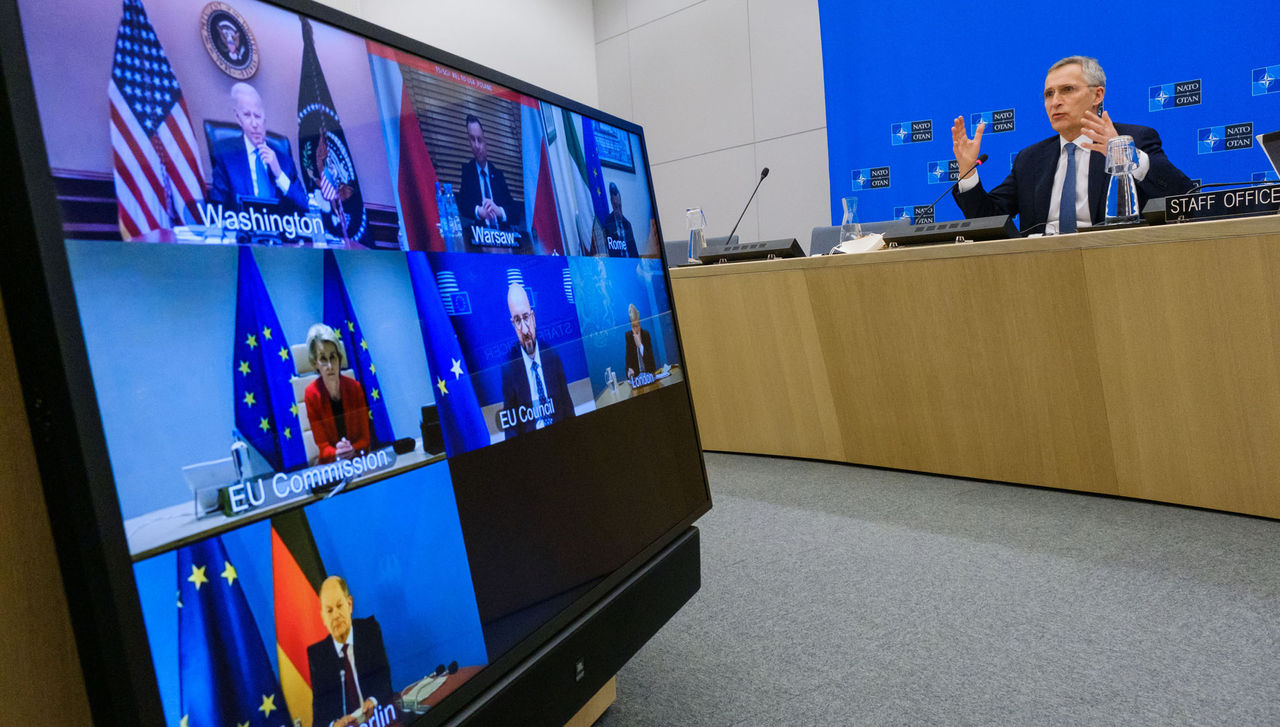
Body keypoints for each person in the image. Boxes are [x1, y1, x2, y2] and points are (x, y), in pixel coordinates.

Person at [951, 55, 1192, 235]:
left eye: (1067, 90)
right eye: (1049, 94)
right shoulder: (1030, 159)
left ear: (1098, 95)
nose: (1055, 102)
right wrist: (967, 171)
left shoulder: (1134, 138)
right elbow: (989, 221)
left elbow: (1183, 196)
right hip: (1042, 269)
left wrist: (1126, 154)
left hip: (1112, 261)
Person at [307, 576, 393, 727]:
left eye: (339, 606)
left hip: (379, 721)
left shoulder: (369, 630)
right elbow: (320, 715)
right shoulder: (318, 656)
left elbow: (384, 680)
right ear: (323, 618)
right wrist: (334, 724)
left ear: (350, 604)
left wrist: (373, 701)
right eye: (329, 610)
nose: (335, 615)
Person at [208, 82, 309, 212]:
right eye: (247, 115)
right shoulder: (226, 157)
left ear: (264, 120)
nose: (254, 123)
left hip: (281, 230)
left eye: (257, 116)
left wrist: (279, 174)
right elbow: (217, 209)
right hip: (244, 229)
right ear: (238, 119)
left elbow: (305, 207)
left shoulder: (284, 160)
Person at [500, 283, 575, 436]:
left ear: (533, 318)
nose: (525, 329)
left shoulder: (552, 356)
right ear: (513, 324)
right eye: (517, 320)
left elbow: (568, 408)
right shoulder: (509, 369)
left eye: (526, 318)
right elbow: (511, 429)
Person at [303, 323, 370, 463]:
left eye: (333, 357)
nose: (329, 366)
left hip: (359, 459)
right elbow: (323, 447)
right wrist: (338, 453)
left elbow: (365, 439)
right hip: (331, 464)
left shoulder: (355, 388)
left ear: (339, 358)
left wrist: (351, 449)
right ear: (315, 363)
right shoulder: (311, 395)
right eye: (323, 359)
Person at [457, 114, 521, 229]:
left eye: (480, 140)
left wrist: (499, 211)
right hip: (480, 238)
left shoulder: (498, 175)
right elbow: (462, 205)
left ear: (486, 142)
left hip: (502, 238)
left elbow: (515, 214)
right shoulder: (467, 172)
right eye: (472, 140)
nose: (476, 146)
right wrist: (478, 211)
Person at [602, 182, 638, 257]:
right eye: (615, 206)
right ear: (611, 203)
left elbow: (634, 252)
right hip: (617, 265)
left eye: (619, 206)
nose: (618, 210)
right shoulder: (608, 223)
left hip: (630, 264)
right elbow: (609, 251)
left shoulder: (627, 224)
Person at [624, 303, 656, 380]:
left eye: (637, 326)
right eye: (633, 326)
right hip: (637, 378)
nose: (635, 329)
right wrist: (629, 371)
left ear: (640, 323)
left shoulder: (645, 334)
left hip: (649, 375)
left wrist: (640, 346)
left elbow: (651, 364)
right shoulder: (628, 336)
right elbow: (628, 362)